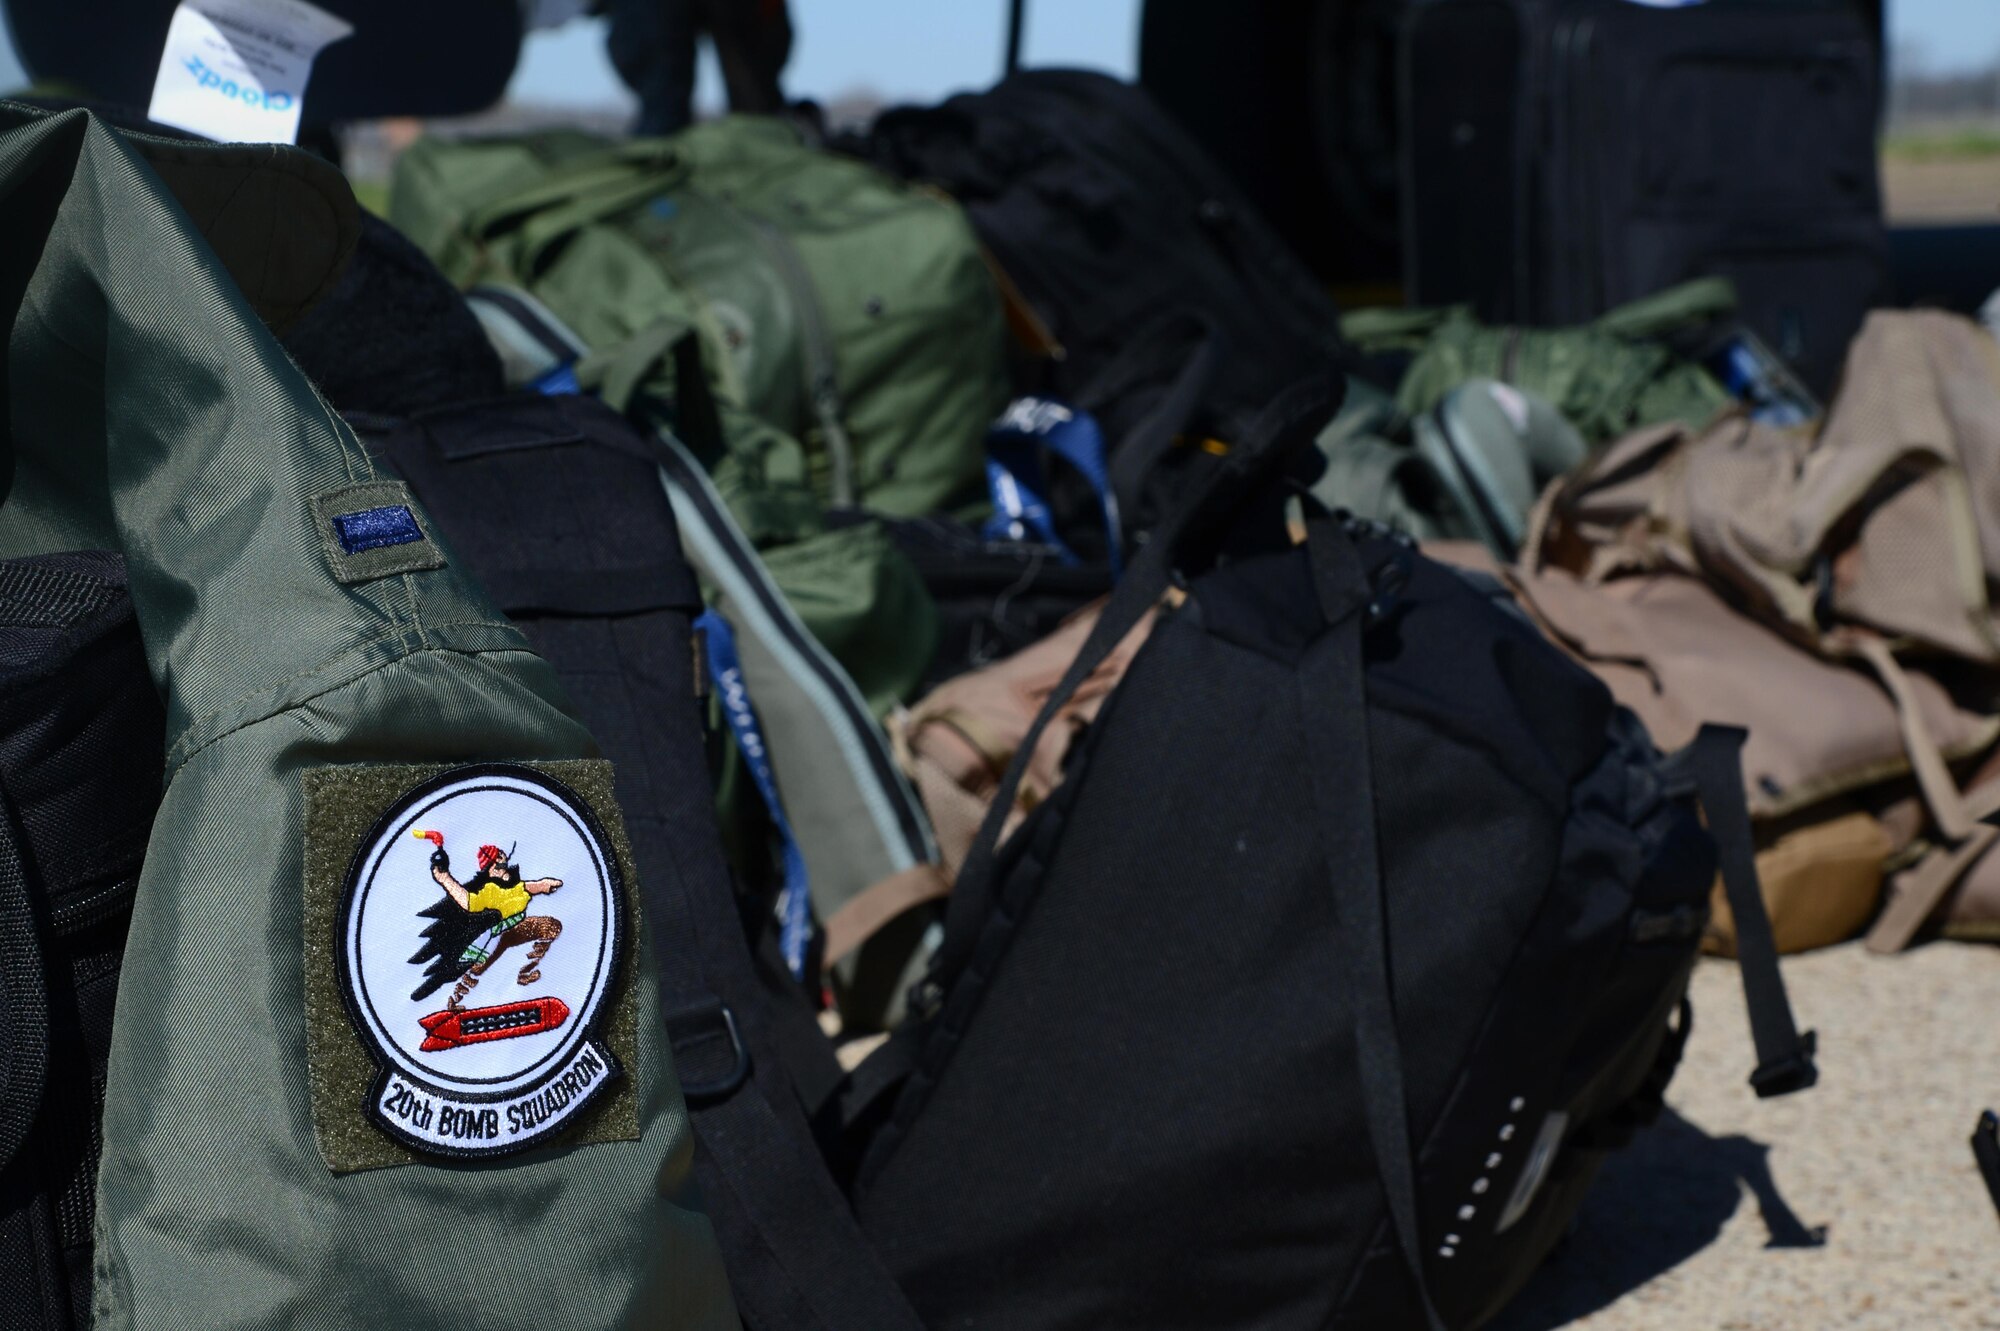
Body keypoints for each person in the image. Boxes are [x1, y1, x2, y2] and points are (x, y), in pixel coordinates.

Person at [426, 842, 564, 1011]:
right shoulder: (489, 890)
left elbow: (526, 888)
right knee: (477, 967)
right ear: (490, 870)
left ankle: (526, 973)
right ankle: (453, 1002)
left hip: (517, 928)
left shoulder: (515, 884)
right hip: (496, 936)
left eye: (501, 856)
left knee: (551, 926)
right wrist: (445, 879)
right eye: (496, 861)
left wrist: (543, 885)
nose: (501, 861)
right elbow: (468, 902)